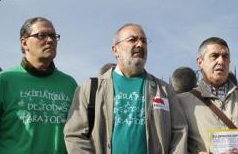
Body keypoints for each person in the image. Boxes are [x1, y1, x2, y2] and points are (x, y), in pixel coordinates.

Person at [64, 23, 187, 154]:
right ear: (115, 50)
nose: (140, 45)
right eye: (132, 40)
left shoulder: (164, 90)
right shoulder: (90, 88)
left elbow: (179, 131)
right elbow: (75, 135)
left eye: (144, 41)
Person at [0, 17, 78, 154]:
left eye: (53, 36)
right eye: (42, 35)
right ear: (24, 43)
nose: (50, 40)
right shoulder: (4, 81)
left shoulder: (69, 84)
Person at [175, 37, 238, 154]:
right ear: (200, 62)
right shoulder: (182, 103)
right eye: (214, 56)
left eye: (225, 56)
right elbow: (175, 145)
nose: (221, 61)